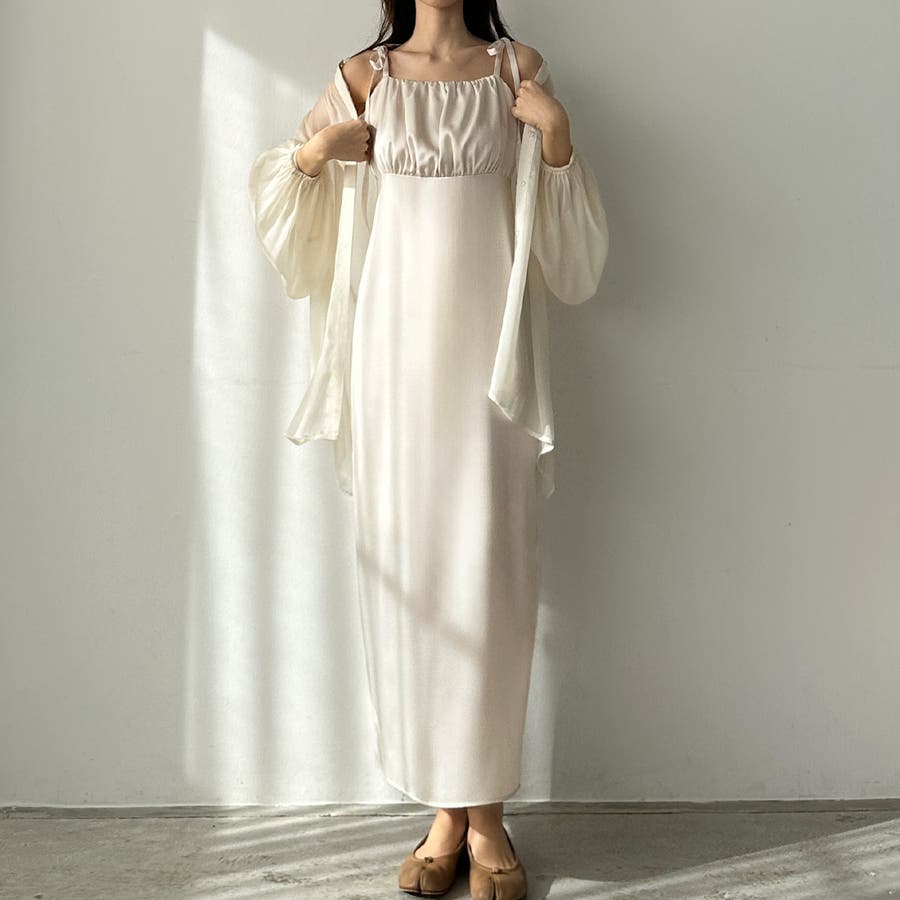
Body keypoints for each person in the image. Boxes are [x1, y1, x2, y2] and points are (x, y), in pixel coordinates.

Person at [248, 2, 609, 896]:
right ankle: (451, 814)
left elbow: (570, 256)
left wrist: (557, 136)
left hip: (492, 372)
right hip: (392, 367)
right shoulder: (362, 79)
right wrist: (316, 152)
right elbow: (282, 209)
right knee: (410, 578)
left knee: (490, 577)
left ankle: (485, 812)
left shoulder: (516, 70)